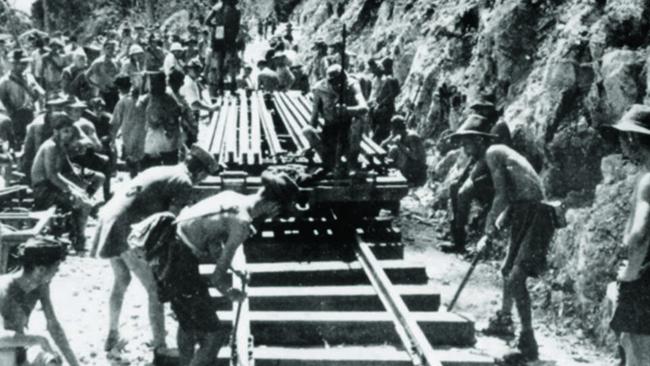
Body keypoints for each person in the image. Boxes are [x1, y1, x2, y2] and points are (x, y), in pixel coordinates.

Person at [130, 170, 298, 366]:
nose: (274, 217)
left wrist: (233, 271)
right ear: (273, 205)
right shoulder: (242, 223)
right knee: (215, 335)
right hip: (180, 263)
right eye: (278, 212)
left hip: (168, 247)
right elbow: (216, 278)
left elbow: (211, 239)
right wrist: (231, 292)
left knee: (187, 325)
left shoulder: (231, 196)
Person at [92, 144, 217, 353]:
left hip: (109, 219)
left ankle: (112, 333)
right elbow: (172, 222)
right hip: (127, 228)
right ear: (201, 172)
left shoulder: (160, 170)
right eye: (203, 177)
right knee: (155, 289)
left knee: (121, 280)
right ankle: (160, 345)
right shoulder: (184, 182)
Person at [451, 118, 554, 361]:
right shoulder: (499, 155)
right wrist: (498, 224)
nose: (466, 151)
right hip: (522, 209)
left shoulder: (494, 153)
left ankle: (528, 342)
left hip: (535, 212)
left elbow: (501, 196)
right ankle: (505, 319)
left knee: (516, 276)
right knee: (507, 270)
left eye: (467, 144)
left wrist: (487, 232)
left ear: (479, 141)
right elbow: (514, 193)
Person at [608, 105, 650, 366]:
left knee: (636, 344)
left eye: (622, 137)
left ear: (633, 138)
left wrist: (624, 250)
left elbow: (640, 230)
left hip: (642, 272)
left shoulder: (647, 180)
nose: (621, 143)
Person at [0, 237, 80, 366]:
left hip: (18, 350)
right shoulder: (4, 288)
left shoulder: (40, 286)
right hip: (5, 353)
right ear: (40, 269)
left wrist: (75, 364)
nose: (57, 271)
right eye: (56, 267)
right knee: (7, 354)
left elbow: (54, 327)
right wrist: (38, 339)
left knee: (51, 360)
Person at [31, 112, 97, 253]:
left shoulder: (59, 147)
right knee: (85, 204)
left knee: (84, 198)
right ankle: (79, 239)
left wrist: (80, 189)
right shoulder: (50, 147)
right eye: (65, 131)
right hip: (43, 190)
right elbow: (52, 176)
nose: (68, 135)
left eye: (70, 132)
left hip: (52, 188)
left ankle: (75, 233)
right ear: (56, 131)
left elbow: (68, 171)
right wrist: (72, 190)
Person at [304, 64, 368, 177]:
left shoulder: (353, 85)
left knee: (358, 122)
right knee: (307, 131)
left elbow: (364, 108)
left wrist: (347, 110)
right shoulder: (319, 89)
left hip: (347, 131)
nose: (337, 85)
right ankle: (330, 162)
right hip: (330, 131)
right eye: (334, 82)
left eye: (340, 82)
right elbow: (313, 117)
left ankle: (351, 162)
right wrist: (310, 144)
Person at [139, 71, 183, 170]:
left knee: (167, 166)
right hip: (157, 139)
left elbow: (177, 111)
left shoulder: (167, 97)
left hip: (166, 138)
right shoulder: (151, 98)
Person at [0, 49, 43, 149]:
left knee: (31, 140)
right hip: (14, 116)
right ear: (14, 64)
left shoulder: (29, 77)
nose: (24, 66)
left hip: (30, 113)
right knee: (16, 142)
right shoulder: (5, 81)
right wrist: (10, 112)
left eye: (26, 63)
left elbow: (39, 93)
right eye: (21, 63)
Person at [21, 96, 70, 183]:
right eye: (57, 108)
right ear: (49, 109)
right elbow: (37, 150)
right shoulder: (39, 124)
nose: (60, 110)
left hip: (52, 156)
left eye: (62, 107)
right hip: (33, 161)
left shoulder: (63, 118)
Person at [204, 0, 241, 93]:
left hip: (219, 33)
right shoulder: (236, 10)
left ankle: (220, 86)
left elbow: (207, 21)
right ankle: (233, 85)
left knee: (219, 62)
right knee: (231, 61)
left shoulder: (217, 7)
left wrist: (216, 26)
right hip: (230, 35)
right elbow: (237, 26)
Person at [111, 75, 144, 177]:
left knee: (132, 162)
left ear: (119, 89)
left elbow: (115, 123)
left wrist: (112, 140)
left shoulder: (122, 102)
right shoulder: (141, 99)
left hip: (130, 136)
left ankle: (134, 183)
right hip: (143, 134)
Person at [381, 115, 427, 187]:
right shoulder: (401, 133)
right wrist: (383, 144)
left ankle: (401, 176)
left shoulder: (411, 136)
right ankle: (389, 169)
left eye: (393, 128)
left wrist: (399, 144)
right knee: (393, 148)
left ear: (397, 128)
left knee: (396, 149)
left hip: (418, 167)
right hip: (411, 163)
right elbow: (385, 143)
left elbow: (415, 156)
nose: (391, 130)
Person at [369, 57, 400, 143]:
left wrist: (381, 103)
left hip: (386, 107)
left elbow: (391, 94)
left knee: (380, 128)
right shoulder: (392, 78)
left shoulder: (389, 79)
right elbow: (395, 92)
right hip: (387, 106)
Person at [86, 39, 119, 111]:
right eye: (108, 48)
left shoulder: (114, 61)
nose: (110, 50)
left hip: (114, 91)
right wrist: (98, 86)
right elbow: (87, 76)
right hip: (104, 92)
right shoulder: (98, 62)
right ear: (104, 49)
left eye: (112, 48)